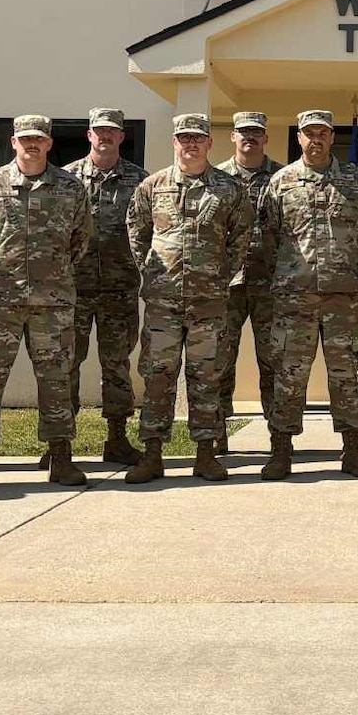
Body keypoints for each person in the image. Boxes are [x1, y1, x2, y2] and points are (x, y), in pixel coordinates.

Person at [0, 115, 93, 491]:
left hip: (52, 301)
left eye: (39, 139)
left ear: (49, 144)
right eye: (25, 139)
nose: (32, 144)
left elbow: (80, 239)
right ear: (13, 142)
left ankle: (61, 458)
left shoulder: (70, 187)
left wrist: (56, 274)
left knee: (57, 380)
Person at [124, 113, 253, 484]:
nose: (191, 144)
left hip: (209, 302)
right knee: (158, 376)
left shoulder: (228, 189)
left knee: (206, 378)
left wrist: (216, 276)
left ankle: (206, 454)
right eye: (184, 138)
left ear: (210, 143)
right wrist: (155, 273)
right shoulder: (153, 186)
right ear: (174, 142)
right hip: (163, 302)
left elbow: (239, 240)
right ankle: (152, 454)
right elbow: (138, 234)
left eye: (198, 138)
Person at [257, 109, 358, 480]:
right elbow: (269, 238)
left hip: (344, 298)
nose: (316, 139)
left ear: (331, 136)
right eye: (309, 133)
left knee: (348, 376)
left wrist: (349, 275)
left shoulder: (353, 181)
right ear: (299, 137)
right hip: (295, 298)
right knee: (289, 377)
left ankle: (354, 451)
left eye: (323, 132)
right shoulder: (281, 182)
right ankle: (281, 451)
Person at [64, 108, 147, 468]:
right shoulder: (66, 180)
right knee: (66, 364)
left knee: (116, 365)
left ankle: (116, 438)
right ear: (89, 135)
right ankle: (60, 442)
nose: (105, 137)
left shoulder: (140, 182)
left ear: (121, 137)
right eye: (99, 131)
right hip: (73, 290)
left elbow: (148, 232)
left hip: (119, 289)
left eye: (112, 131)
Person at [215, 111, 277, 450]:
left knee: (273, 361)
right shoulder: (216, 177)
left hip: (270, 284)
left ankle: (278, 435)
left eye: (256, 133)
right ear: (233, 137)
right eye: (243, 133)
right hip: (227, 285)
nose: (249, 138)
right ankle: (218, 433)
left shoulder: (283, 177)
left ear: (266, 138)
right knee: (220, 359)